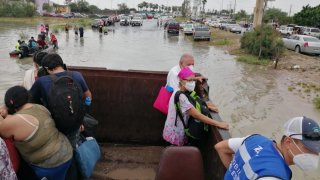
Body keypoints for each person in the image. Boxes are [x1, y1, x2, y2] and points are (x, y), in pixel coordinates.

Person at [0, 86, 73, 180]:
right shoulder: (40, 107)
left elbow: (3, 129)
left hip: (50, 164)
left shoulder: (14, 121)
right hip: (66, 151)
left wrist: (4, 111)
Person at [214, 116, 320, 180]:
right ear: (288, 142)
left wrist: (236, 174)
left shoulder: (254, 139)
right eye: (309, 149)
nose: (314, 155)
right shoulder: (274, 176)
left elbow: (220, 147)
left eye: (317, 150)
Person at [30, 53, 92, 148]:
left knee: (57, 147)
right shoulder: (77, 75)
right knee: (73, 144)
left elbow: (30, 100)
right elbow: (88, 95)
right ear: (61, 64)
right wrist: (83, 115)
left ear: (46, 68)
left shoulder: (42, 81)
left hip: (53, 125)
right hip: (76, 122)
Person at [162, 67, 229, 146]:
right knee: (176, 154)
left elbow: (192, 102)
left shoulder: (181, 89)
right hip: (175, 132)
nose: (192, 83)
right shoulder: (181, 96)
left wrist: (207, 106)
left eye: (193, 80)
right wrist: (218, 123)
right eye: (189, 80)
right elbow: (197, 115)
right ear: (182, 81)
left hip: (173, 128)